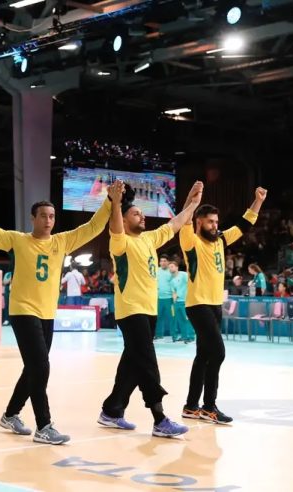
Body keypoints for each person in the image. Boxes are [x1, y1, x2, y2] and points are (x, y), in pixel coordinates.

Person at [0, 180, 120, 444]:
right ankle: (44, 426)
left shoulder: (62, 241)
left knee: (33, 368)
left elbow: (93, 227)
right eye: (44, 216)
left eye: (52, 216)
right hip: (23, 311)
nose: (48, 220)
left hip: (47, 314)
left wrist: (110, 201)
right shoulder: (17, 240)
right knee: (41, 366)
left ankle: (10, 414)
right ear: (33, 218)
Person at [97, 181, 202, 438]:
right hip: (131, 310)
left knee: (132, 363)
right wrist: (116, 201)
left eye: (142, 213)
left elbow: (175, 223)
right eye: (135, 213)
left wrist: (192, 204)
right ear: (122, 219)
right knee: (147, 361)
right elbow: (115, 223)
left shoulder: (149, 239)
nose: (142, 215)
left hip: (148, 309)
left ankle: (112, 410)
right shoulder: (119, 242)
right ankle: (159, 417)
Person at [181, 188, 266, 424]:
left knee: (203, 356)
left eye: (216, 222)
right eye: (210, 222)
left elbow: (244, 224)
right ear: (199, 222)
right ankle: (209, 407)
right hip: (198, 304)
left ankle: (190, 406)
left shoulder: (220, 240)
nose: (214, 225)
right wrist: (192, 200)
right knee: (218, 353)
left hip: (215, 304)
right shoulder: (191, 241)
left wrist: (257, 201)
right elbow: (184, 219)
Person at [168, 261, 194, 343]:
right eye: (169, 267)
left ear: (176, 267)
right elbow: (174, 292)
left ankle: (191, 337)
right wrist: (174, 302)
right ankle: (184, 336)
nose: (170, 268)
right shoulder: (171, 281)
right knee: (180, 320)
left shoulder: (183, 275)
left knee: (187, 319)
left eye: (172, 266)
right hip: (177, 303)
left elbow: (191, 284)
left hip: (186, 301)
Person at [155, 255, 174, 340]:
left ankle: (175, 334)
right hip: (159, 298)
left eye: (165, 261)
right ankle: (158, 334)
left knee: (172, 317)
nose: (162, 263)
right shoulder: (156, 270)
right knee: (158, 317)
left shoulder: (171, 271)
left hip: (169, 298)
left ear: (168, 262)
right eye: (161, 261)